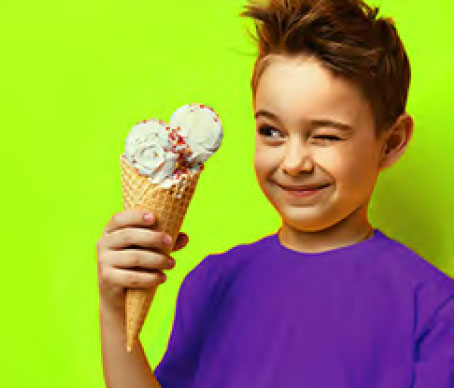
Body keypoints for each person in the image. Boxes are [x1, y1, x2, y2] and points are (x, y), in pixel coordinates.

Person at [96, 0, 454, 386]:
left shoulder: (433, 309)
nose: (293, 162)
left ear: (391, 142)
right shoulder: (214, 282)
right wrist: (113, 310)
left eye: (325, 136)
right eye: (271, 131)